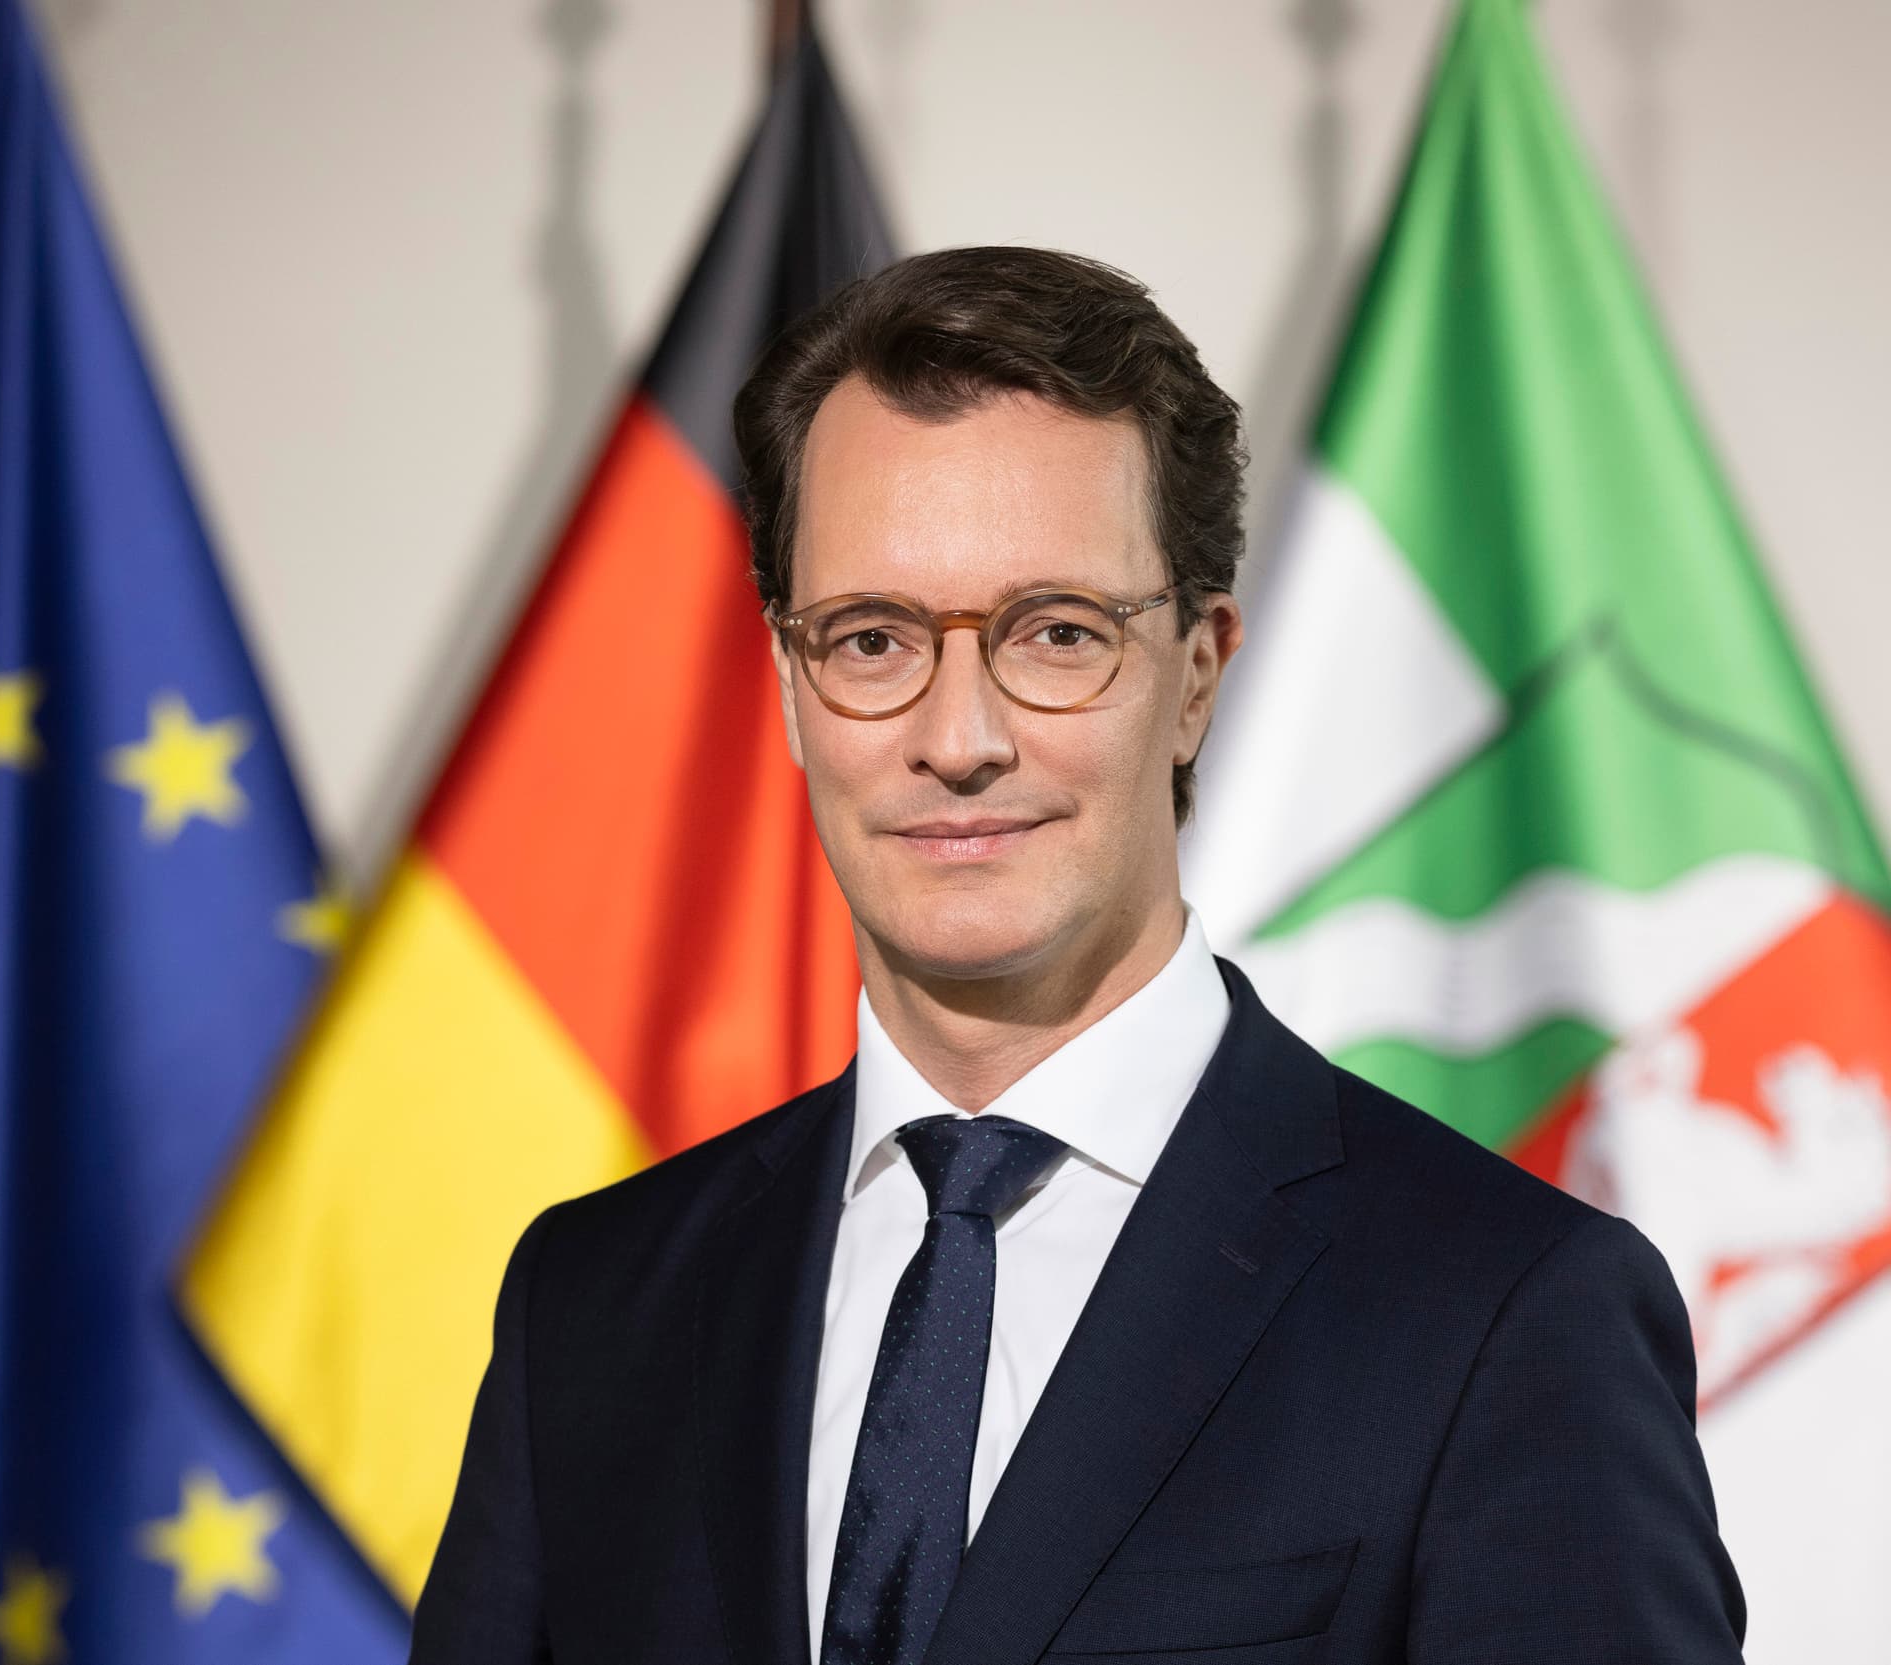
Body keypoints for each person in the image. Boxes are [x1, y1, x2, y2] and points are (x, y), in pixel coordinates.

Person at [409, 246, 1747, 1665]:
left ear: (1198, 673)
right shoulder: (592, 1306)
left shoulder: (1509, 1314)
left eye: (1056, 634)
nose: (959, 739)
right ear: (794, 686)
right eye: (871, 640)